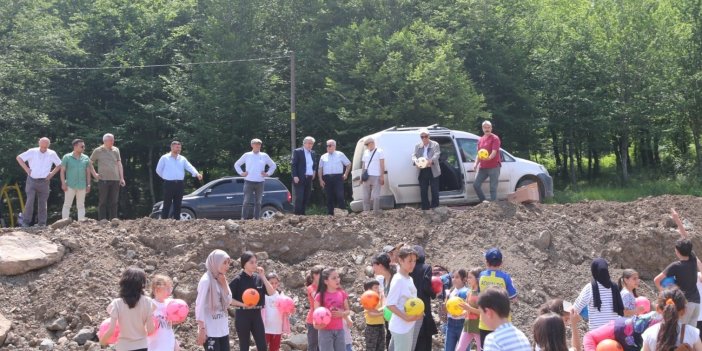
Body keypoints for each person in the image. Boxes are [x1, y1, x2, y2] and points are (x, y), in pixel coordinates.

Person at [571, 258, 625, 350]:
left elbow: (575, 309)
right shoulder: (614, 287)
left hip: (597, 336)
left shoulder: (590, 287)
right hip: (615, 334)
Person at [99, 267, 156, 351]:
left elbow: (111, 330)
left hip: (123, 347)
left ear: (123, 283)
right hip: (142, 346)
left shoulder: (116, 303)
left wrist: (102, 342)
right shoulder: (148, 302)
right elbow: (150, 330)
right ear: (142, 284)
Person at [229, 251, 276, 351]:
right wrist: (243, 304)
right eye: (251, 262)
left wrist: (263, 276)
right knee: (244, 346)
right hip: (242, 315)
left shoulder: (258, 278)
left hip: (256, 315)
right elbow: (228, 299)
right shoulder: (237, 279)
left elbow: (272, 293)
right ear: (244, 264)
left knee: (262, 346)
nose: (255, 265)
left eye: (256, 262)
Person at [16, 137, 62, 227]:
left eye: (45, 146)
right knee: (30, 201)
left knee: (43, 202)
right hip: (32, 180)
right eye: (42, 146)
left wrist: (51, 174)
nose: (43, 148)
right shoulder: (32, 151)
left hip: (44, 181)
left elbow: (60, 164)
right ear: (39, 144)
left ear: (48, 145)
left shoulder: (52, 153)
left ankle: (42, 223)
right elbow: (19, 158)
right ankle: (26, 222)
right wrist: (26, 169)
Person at [654, 238, 701, 326]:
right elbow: (687, 242)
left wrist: (664, 292)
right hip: (696, 303)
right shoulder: (693, 260)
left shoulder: (675, 266)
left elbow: (656, 280)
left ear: (677, 251)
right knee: (691, 334)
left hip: (685, 304)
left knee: (680, 332)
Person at [477, 248, 518, 346]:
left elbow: (479, 295)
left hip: (485, 321)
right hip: (502, 323)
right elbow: (514, 298)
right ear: (501, 263)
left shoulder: (481, 276)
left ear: (486, 262)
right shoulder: (505, 277)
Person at [195, 250, 233, 351]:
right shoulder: (206, 280)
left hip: (223, 329)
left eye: (228, 263)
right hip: (210, 330)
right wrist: (201, 329)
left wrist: (224, 284)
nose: (227, 266)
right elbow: (199, 305)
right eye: (224, 263)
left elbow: (229, 301)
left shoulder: (221, 278)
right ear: (215, 262)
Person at [386, 246, 422, 351]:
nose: (413, 264)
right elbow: (390, 304)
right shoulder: (398, 279)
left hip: (408, 325)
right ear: (400, 260)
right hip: (401, 326)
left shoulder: (409, 278)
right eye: (409, 261)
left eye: (414, 261)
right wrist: (405, 317)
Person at [155, 141, 203, 220]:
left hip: (179, 184)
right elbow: (158, 170)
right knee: (167, 203)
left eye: (180, 147)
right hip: (169, 183)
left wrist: (197, 174)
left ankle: (176, 221)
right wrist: (165, 177)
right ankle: (164, 221)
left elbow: (189, 167)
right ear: (172, 147)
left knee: (178, 203)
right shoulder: (164, 158)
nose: (179, 149)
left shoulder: (182, 158)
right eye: (177, 147)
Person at [234, 138, 277, 220]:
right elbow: (237, 164)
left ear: (260, 145)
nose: (257, 146)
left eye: (259, 144)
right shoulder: (247, 155)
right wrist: (241, 173)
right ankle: (244, 218)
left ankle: (256, 218)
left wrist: (267, 174)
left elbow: (273, 165)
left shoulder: (264, 155)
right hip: (248, 181)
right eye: (255, 144)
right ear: (252, 145)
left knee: (258, 202)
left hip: (260, 182)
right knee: (246, 201)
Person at [313, 267, 350, 351]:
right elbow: (316, 316)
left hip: (340, 330)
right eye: (334, 278)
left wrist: (342, 314)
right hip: (325, 331)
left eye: (338, 277)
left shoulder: (342, 293)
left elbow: (348, 310)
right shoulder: (319, 296)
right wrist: (317, 325)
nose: (337, 280)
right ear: (326, 281)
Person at [90, 133, 125, 220]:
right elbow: (89, 163)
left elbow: (119, 164)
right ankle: (102, 220)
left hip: (115, 179)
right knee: (103, 201)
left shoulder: (116, 150)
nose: (113, 141)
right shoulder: (98, 150)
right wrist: (94, 174)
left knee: (114, 201)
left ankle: (113, 219)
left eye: (113, 140)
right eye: (111, 140)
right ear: (105, 141)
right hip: (103, 179)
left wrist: (122, 178)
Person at [410, 245, 438, 351]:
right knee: (425, 339)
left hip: (411, 306)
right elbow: (426, 286)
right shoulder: (426, 268)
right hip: (423, 305)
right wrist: (434, 294)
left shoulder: (409, 268)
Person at [60, 139, 93, 221]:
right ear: (75, 146)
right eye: (82, 146)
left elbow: (88, 172)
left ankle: (81, 222)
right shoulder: (67, 157)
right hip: (70, 185)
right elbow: (62, 171)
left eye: (84, 146)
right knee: (67, 205)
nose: (83, 148)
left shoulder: (86, 158)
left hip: (82, 185)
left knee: (81, 205)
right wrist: (63, 183)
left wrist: (88, 184)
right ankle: (64, 222)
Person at [318, 139, 351, 215]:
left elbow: (348, 164)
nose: (328, 147)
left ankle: (342, 212)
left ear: (334, 146)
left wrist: (345, 174)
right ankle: (330, 214)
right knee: (329, 196)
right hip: (327, 178)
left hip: (338, 177)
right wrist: (320, 179)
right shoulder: (323, 156)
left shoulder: (340, 154)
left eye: (330, 145)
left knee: (340, 195)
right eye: (327, 146)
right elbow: (320, 169)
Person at [148, 274, 180, 351]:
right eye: (167, 288)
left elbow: (169, 327)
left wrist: (175, 342)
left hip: (169, 345)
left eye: (171, 288)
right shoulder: (149, 305)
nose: (170, 291)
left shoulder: (170, 304)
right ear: (156, 290)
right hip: (154, 346)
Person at [411, 128, 441, 210]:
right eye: (422, 137)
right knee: (423, 190)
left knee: (434, 190)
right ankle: (425, 208)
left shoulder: (435, 144)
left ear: (429, 136)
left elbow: (437, 154)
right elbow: (413, 155)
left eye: (426, 136)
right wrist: (416, 161)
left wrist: (431, 161)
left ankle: (435, 208)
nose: (424, 138)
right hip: (422, 170)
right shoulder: (418, 146)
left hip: (433, 170)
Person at [472, 121, 501, 202]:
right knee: (476, 185)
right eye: (485, 127)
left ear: (491, 128)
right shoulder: (480, 140)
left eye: (488, 127)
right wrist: (475, 164)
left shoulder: (495, 138)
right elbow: (478, 154)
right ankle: (484, 202)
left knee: (492, 188)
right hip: (483, 167)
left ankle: (494, 206)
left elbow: (494, 152)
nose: (487, 129)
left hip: (494, 166)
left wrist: (488, 158)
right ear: (482, 128)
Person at [371, 253, 395, 348]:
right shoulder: (384, 279)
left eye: (373, 265)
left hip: (399, 319)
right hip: (390, 318)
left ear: (380, 265)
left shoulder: (395, 278)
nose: (372, 268)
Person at [456, 267, 482, 351]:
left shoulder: (482, 294)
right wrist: (459, 314)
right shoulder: (469, 292)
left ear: (477, 279)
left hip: (479, 328)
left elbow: (482, 312)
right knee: (459, 349)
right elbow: (467, 310)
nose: (468, 279)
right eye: (467, 277)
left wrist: (468, 308)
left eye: (470, 277)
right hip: (467, 326)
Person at [263, 272, 290, 351]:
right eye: (271, 283)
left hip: (277, 327)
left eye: (276, 283)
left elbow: (286, 308)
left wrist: (289, 310)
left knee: (275, 349)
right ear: (266, 282)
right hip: (264, 328)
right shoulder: (262, 295)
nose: (274, 285)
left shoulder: (281, 294)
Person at [291, 136, 317, 215]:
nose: (310, 145)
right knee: (300, 197)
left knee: (306, 196)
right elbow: (293, 164)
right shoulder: (298, 151)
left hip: (309, 178)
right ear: (304, 143)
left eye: (312, 144)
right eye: (309, 143)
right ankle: (297, 215)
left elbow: (314, 164)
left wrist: (314, 172)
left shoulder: (313, 153)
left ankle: (303, 214)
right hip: (299, 178)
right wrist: (295, 176)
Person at [445, 269, 469, 351]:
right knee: (448, 348)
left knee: (464, 348)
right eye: (453, 277)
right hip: (450, 323)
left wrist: (461, 314)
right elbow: (446, 307)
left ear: (464, 279)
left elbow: (469, 308)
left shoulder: (467, 292)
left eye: (457, 277)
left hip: (462, 324)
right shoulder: (450, 291)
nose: (454, 279)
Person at [361, 137, 385, 213]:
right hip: (367, 176)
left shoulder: (380, 151)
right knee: (365, 196)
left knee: (376, 196)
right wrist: (362, 176)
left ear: (372, 143)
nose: (367, 146)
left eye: (368, 144)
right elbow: (364, 165)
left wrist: (382, 176)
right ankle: (366, 211)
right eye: (367, 145)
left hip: (376, 175)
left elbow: (382, 164)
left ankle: (376, 211)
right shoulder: (365, 152)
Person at [306, 265, 325, 351]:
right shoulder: (310, 288)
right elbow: (316, 297)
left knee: (322, 345)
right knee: (313, 345)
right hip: (312, 320)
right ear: (314, 275)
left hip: (324, 319)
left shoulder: (324, 287)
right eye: (320, 274)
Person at [363, 279, 385, 351]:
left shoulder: (378, 298)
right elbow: (370, 313)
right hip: (371, 328)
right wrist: (381, 313)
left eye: (378, 287)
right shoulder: (367, 299)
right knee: (371, 348)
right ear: (369, 289)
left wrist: (382, 297)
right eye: (375, 287)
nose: (378, 289)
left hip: (381, 326)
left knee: (381, 348)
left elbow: (383, 306)